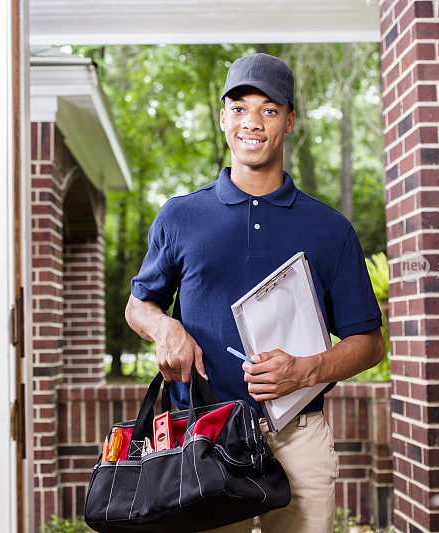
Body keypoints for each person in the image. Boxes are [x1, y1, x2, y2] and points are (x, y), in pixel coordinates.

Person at [125, 53, 385, 532]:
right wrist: (165, 327)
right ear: (223, 117)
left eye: (268, 109)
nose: (252, 122)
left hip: (298, 438)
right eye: (240, 107)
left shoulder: (330, 229)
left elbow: (368, 344)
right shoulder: (181, 217)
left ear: (289, 121)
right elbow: (139, 306)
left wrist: (308, 369)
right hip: (206, 435)